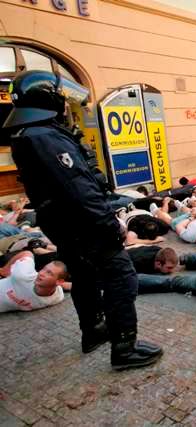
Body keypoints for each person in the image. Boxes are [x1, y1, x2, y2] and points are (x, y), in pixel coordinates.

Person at [3, 70, 162, 369]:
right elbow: (80, 188)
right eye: (61, 98)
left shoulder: (28, 134)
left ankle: (94, 331)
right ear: (48, 98)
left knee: (85, 277)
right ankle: (125, 347)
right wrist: (109, 223)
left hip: (64, 224)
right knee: (122, 278)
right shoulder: (46, 136)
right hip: (85, 224)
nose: (65, 104)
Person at [0, 251, 68, 313]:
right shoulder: (24, 275)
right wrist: (4, 271)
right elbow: (27, 253)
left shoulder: (57, 297)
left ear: (59, 282)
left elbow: (61, 285)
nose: (41, 273)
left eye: (49, 273)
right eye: (43, 269)